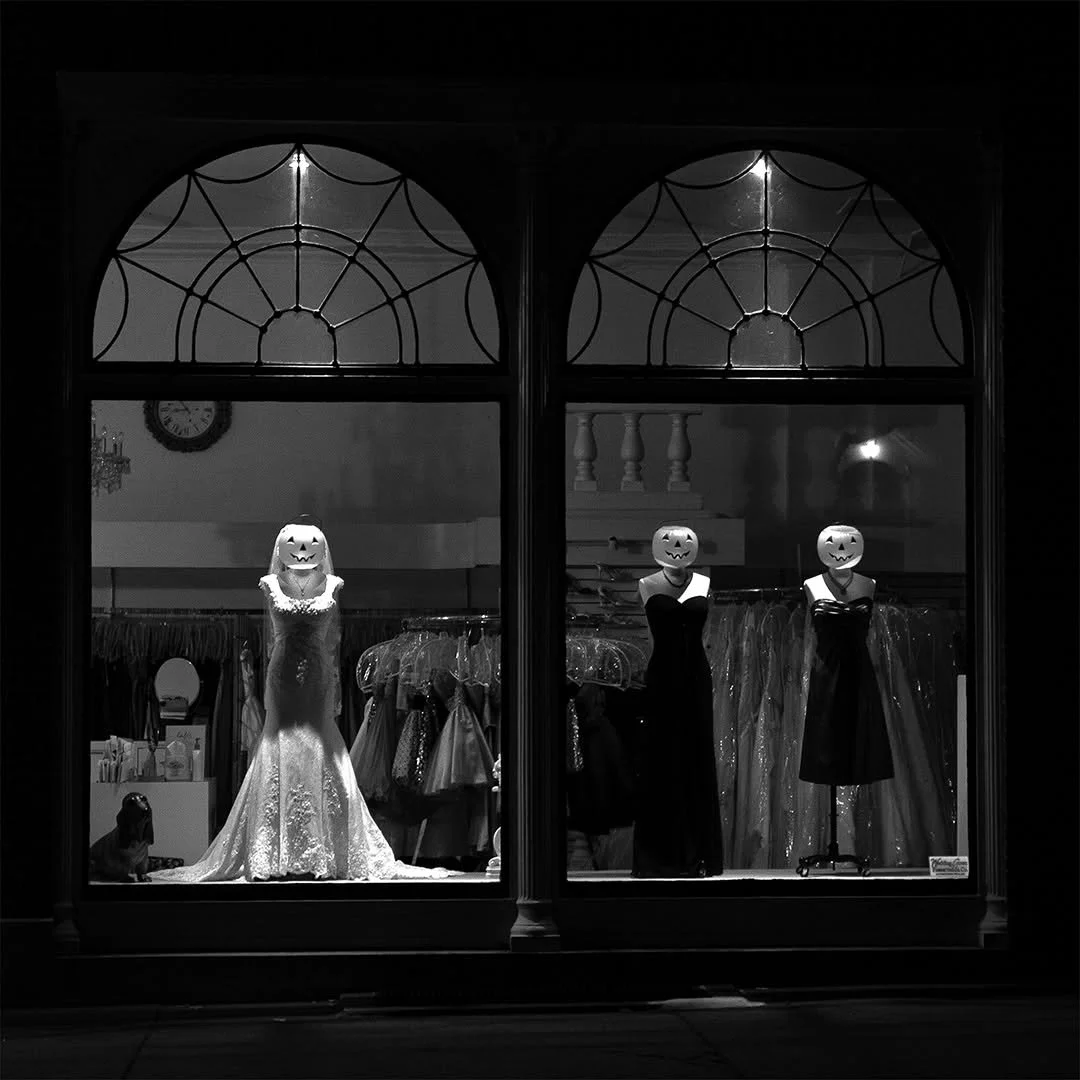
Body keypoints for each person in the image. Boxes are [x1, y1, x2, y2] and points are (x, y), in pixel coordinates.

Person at [151, 516, 453, 882]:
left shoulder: (333, 584)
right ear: (282, 546)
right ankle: (271, 849)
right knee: (280, 742)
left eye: (310, 543)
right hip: (282, 680)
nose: (303, 548)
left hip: (317, 678)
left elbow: (332, 641)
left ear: (321, 547)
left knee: (320, 741)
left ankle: (329, 847)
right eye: (294, 542)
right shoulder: (269, 583)